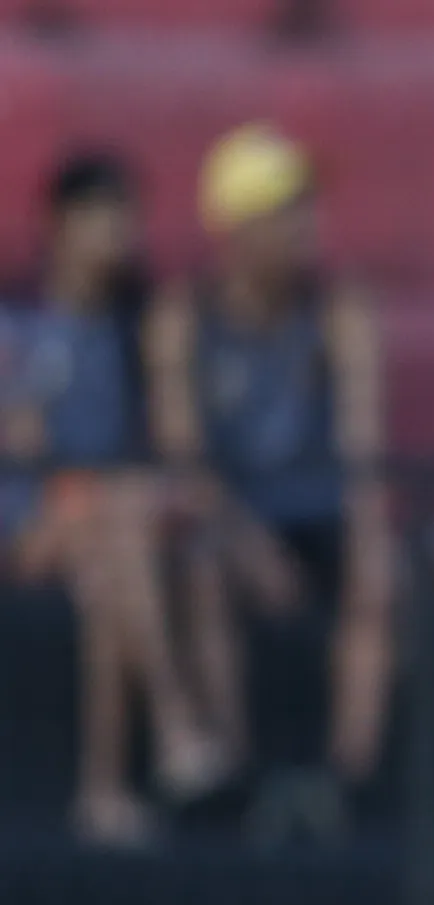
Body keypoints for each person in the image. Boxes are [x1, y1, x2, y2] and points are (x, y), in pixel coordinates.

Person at [148, 122, 399, 830]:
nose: (307, 224)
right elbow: (184, 456)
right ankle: (234, 767)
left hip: (318, 509)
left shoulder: (340, 309)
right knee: (199, 559)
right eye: (289, 209)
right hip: (234, 514)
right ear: (240, 227)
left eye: (307, 206)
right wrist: (249, 545)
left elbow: (363, 447)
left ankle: (349, 780)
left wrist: (370, 527)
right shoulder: (184, 317)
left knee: (376, 569)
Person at [3, 150, 230, 847]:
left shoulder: (138, 325)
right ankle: (173, 724)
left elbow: (169, 439)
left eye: (125, 218)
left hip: (108, 524)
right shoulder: (18, 323)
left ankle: (102, 794)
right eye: (99, 217)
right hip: (26, 522)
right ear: (58, 225)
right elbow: (21, 447)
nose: (117, 233)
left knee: (111, 572)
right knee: (113, 515)